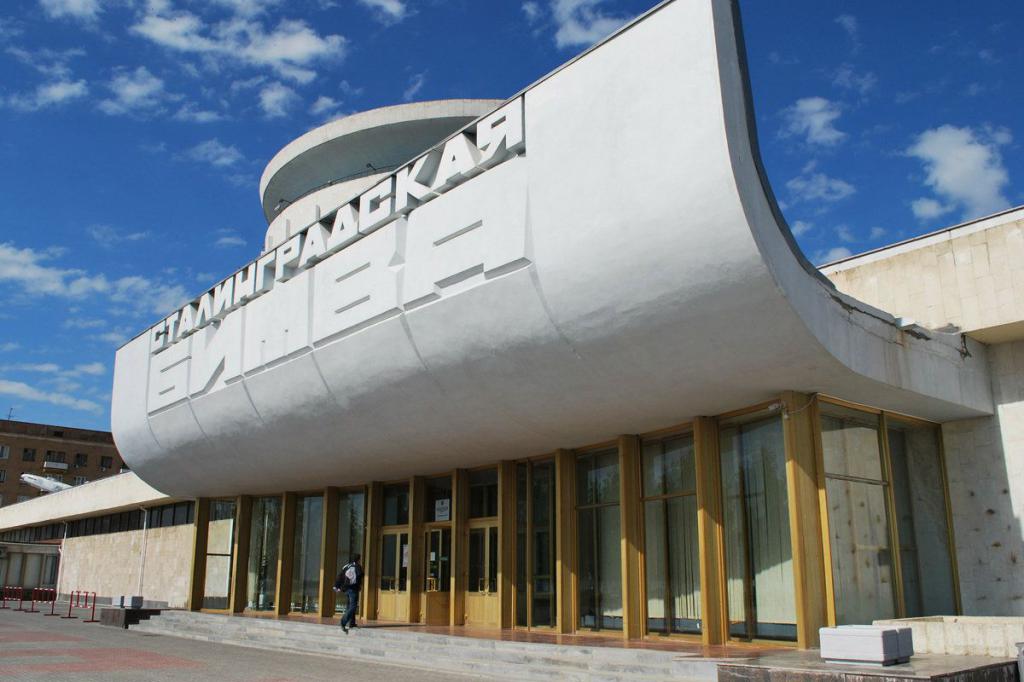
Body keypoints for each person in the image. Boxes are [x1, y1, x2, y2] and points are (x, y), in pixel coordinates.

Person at [334, 554, 364, 634]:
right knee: (353, 606)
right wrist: (359, 586)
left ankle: (352, 623)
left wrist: (336, 586)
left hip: (346, 589)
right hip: (353, 589)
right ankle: (343, 622)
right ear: (358, 559)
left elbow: (340, 576)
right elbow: (360, 576)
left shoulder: (346, 566)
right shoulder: (358, 566)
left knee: (349, 606)